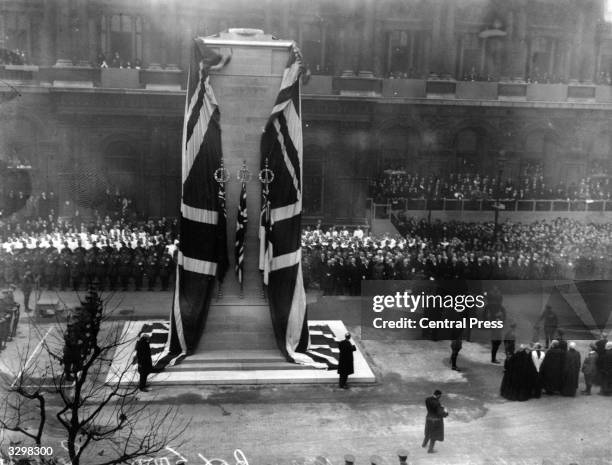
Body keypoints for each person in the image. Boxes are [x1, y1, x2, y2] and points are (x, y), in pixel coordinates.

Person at [422, 389, 448, 454]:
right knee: (434, 435)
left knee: (428, 432)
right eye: (440, 396)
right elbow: (440, 413)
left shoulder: (427, 399)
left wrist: (440, 407)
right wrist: (446, 413)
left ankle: (424, 444)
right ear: (438, 395)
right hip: (435, 420)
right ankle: (430, 450)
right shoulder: (437, 403)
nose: (440, 397)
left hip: (428, 418)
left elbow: (432, 407)